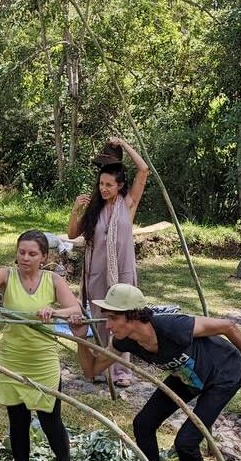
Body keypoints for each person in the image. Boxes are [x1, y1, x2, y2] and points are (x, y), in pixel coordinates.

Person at [73, 283, 241, 461]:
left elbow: (228, 326)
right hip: (186, 376)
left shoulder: (173, 326)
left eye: (114, 318)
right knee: (143, 423)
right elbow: (91, 370)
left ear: (134, 316)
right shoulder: (124, 341)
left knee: (186, 442)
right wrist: (80, 338)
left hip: (223, 373)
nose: (108, 326)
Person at [0, 230, 83, 461]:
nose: (25, 258)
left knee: (51, 420)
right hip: (12, 360)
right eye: (21, 252)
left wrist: (55, 311)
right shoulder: (7, 275)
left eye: (32, 254)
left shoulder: (53, 280)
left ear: (44, 257)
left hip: (43, 361)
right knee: (18, 422)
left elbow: (75, 310)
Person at [68, 137, 149, 388]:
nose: (103, 189)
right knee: (101, 319)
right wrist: (75, 210)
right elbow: (72, 234)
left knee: (122, 319)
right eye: (101, 184)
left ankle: (122, 370)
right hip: (96, 272)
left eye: (109, 185)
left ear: (120, 185)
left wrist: (123, 144)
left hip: (122, 271)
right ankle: (103, 367)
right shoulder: (94, 208)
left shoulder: (128, 204)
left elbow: (143, 169)